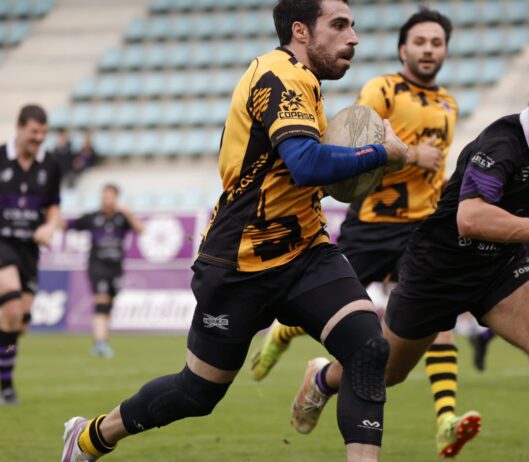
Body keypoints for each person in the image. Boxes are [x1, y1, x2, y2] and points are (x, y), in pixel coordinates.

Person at [60, 1, 408, 460]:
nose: (353, 37)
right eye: (339, 25)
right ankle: (90, 436)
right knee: (197, 393)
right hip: (240, 261)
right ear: (301, 31)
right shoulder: (282, 77)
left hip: (304, 251)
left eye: (353, 25)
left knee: (368, 345)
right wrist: (383, 153)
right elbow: (305, 165)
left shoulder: (304, 83)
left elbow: (289, 177)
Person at [250, 8, 480, 458]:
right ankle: (284, 333)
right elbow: (350, 143)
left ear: (446, 51)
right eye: (420, 42)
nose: (428, 49)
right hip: (372, 226)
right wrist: (412, 155)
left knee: (438, 317)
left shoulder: (449, 104)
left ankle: (446, 418)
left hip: (421, 229)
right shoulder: (382, 89)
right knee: (331, 305)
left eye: (436, 43)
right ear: (403, 49)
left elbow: (438, 171)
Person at [291, 78, 529, 458]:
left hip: (500, 268)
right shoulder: (501, 144)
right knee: (388, 372)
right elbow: (470, 219)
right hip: (438, 270)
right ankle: (323, 377)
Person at [0, 104, 62, 404]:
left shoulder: (50, 165)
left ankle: (6, 383)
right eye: (34, 132)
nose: (39, 138)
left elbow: (53, 205)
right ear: (20, 127)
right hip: (2, 244)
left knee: (18, 324)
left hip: (29, 250)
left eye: (43, 133)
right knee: (10, 307)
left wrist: (50, 226)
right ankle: (7, 389)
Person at [64, 184, 144, 358]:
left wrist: (128, 212)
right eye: (104, 196)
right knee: (101, 304)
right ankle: (100, 343)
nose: (106, 199)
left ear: (116, 198)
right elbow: (69, 225)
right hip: (97, 266)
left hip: (115, 269)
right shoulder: (92, 218)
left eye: (110, 196)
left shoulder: (122, 218)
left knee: (107, 306)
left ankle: (102, 342)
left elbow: (140, 229)